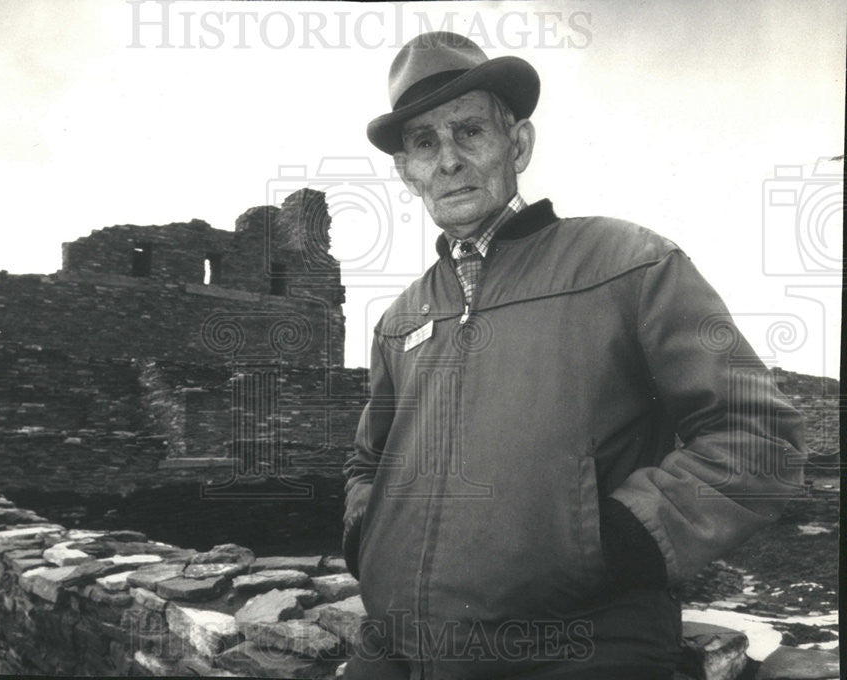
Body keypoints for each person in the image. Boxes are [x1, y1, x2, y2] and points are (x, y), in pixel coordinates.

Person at [342, 32, 805, 680]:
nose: (448, 160)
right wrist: (370, 544)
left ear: (518, 144)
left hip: (576, 653)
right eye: (424, 142)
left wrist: (621, 540)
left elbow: (761, 436)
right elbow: (368, 462)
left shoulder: (631, 266)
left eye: (469, 131)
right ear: (406, 171)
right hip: (397, 655)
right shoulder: (400, 321)